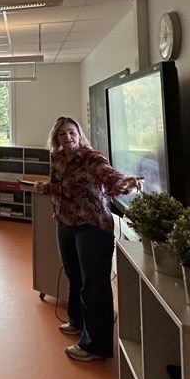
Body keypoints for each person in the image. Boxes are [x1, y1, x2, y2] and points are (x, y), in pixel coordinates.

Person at [36, 116, 144, 362]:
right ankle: (77, 321)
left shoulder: (92, 158)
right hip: (65, 222)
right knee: (74, 275)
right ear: (56, 138)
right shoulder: (57, 158)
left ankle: (96, 346)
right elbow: (57, 185)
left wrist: (123, 182)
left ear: (79, 134)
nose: (68, 137)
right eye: (62, 133)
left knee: (94, 285)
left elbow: (109, 177)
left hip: (92, 227)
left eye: (71, 132)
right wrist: (43, 187)